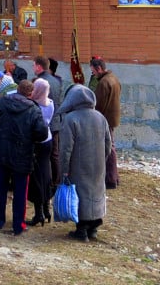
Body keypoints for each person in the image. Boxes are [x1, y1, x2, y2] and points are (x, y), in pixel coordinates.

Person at [0, 79, 48, 236]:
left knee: (0, 187)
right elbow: (42, 133)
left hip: (3, 152)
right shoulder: (33, 109)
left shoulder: (3, 102)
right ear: (31, 93)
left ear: (17, 89)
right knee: (20, 191)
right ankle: (18, 224)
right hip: (22, 154)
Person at [58, 84, 113, 241]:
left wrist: (64, 169)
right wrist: (102, 159)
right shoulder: (100, 117)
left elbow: (66, 148)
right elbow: (108, 143)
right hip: (98, 162)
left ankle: (81, 230)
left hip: (78, 164)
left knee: (81, 194)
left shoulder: (71, 119)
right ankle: (94, 228)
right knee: (96, 193)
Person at [90, 56, 122, 189]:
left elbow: (98, 104)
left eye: (93, 71)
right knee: (110, 147)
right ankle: (113, 176)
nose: (93, 74)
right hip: (111, 118)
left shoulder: (103, 83)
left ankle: (110, 178)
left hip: (105, 119)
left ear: (99, 69)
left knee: (108, 148)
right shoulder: (113, 78)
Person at [26, 77, 55, 227]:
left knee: (36, 177)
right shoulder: (50, 103)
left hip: (37, 141)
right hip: (48, 140)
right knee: (46, 173)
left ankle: (39, 214)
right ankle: (46, 209)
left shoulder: (33, 105)